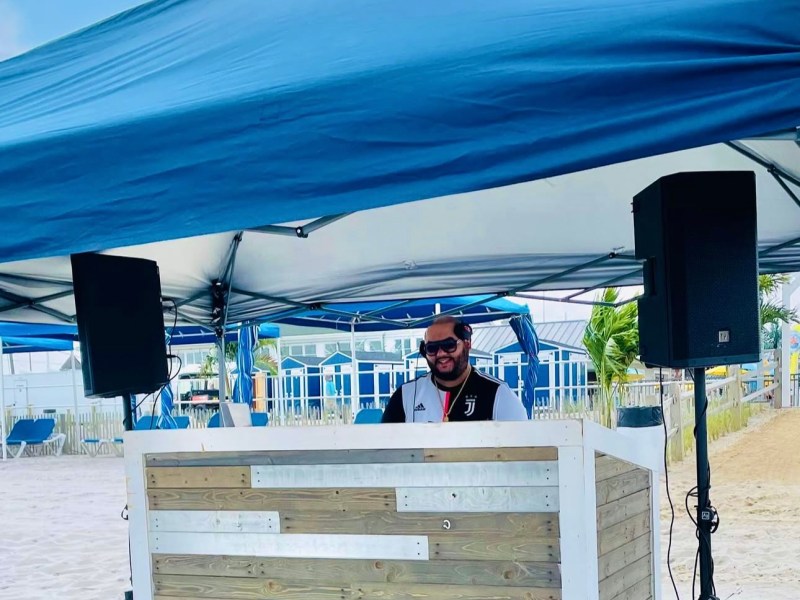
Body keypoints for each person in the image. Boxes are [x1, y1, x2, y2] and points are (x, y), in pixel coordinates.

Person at [382, 316, 528, 422]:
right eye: (432, 348)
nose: (440, 354)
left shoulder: (498, 393)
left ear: (467, 344)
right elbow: (385, 450)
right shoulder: (406, 394)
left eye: (449, 345)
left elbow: (521, 450)